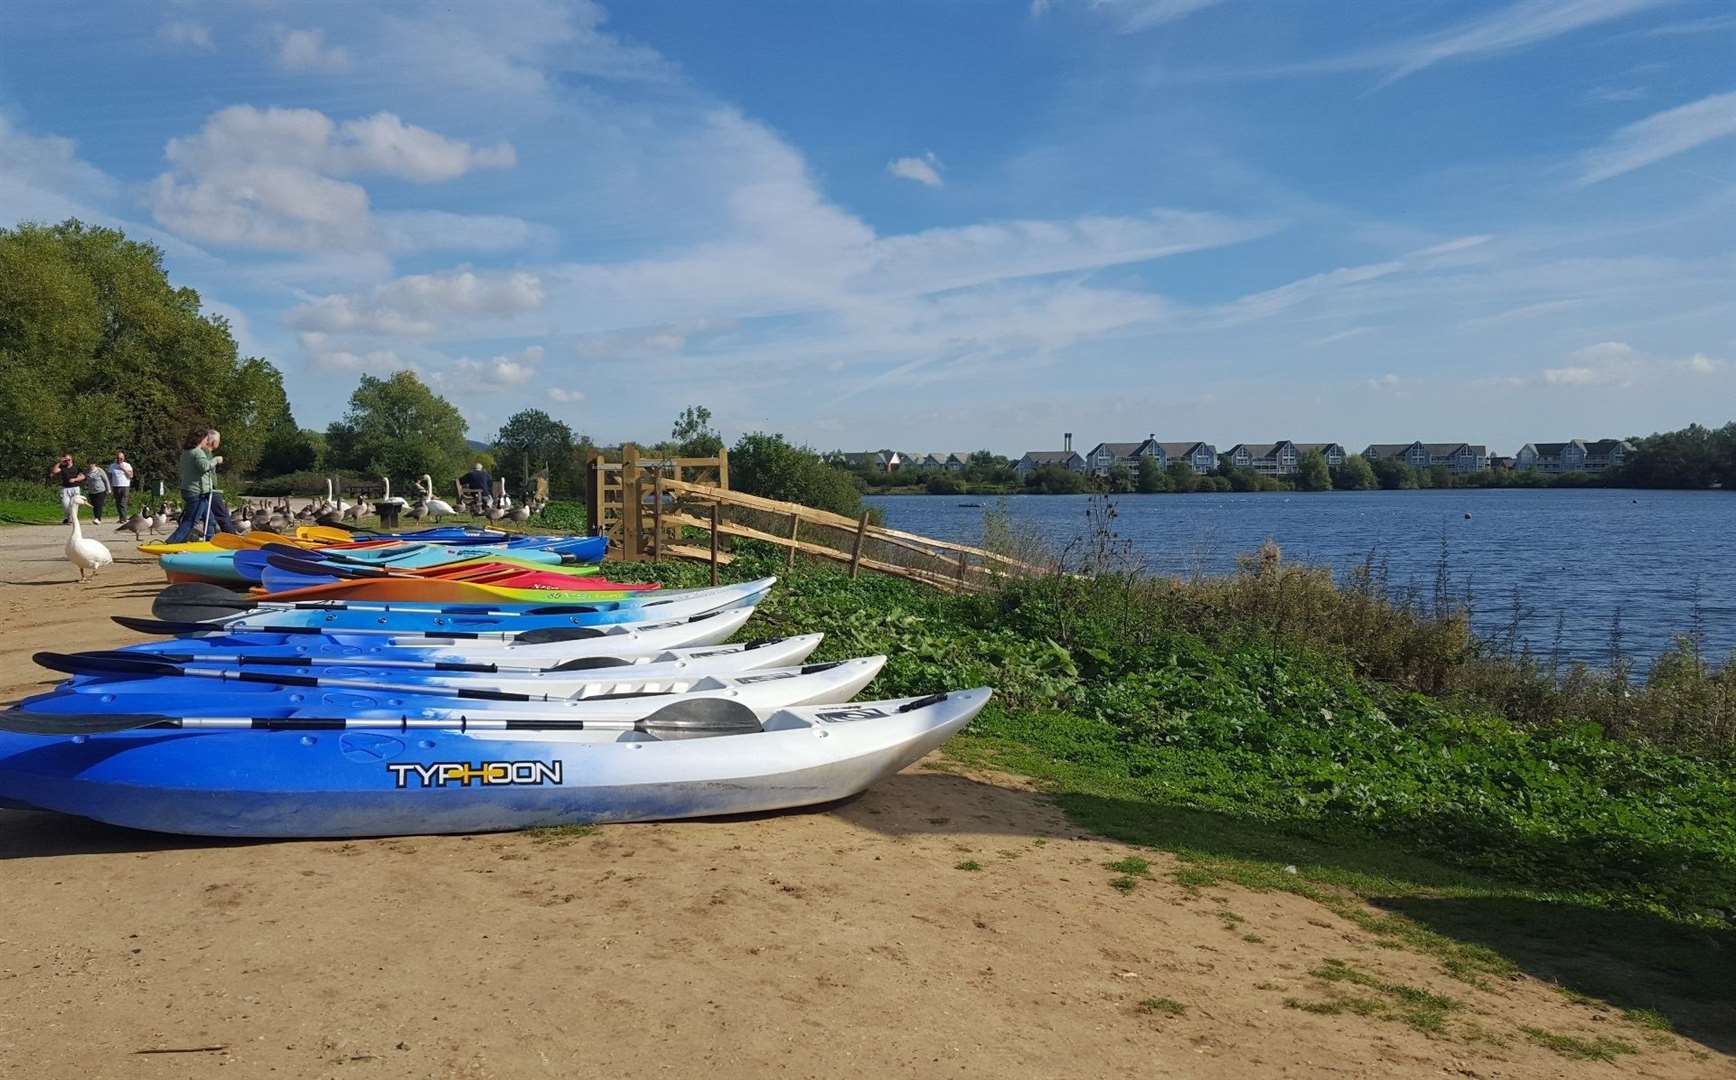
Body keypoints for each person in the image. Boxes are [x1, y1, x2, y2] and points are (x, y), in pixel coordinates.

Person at [165, 428, 238, 543]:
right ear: (200, 440)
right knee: (191, 521)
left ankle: (208, 539)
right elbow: (204, 466)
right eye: (205, 439)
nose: (207, 441)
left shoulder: (186, 452)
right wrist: (216, 460)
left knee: (208, 518)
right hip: (197, 491)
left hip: (189, 489)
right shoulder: (198, 452)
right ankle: (171, 543)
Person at [48, 454, 84, 524]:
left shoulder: (76, 467)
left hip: (75, 488)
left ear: (72, 459)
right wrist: (59, 462)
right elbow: (54, 471)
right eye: (66, 460)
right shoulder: (62, 467)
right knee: (65, 504)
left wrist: (75, 479)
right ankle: (68, 517)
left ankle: (72, 518)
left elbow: (82, 476)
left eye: (69, 459)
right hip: (65, 488)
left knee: (75, 504)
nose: (67, 461)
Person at [108, 451, 134, 519]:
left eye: (121, 458)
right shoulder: (112, 466)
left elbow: (131, 476)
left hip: (125, 486)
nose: (119, 460)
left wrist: (123, 469)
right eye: (118, 458)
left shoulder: (127, 465)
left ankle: (124, 518)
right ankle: (121, 517)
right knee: (118, 502)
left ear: (124, 458)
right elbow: (110, 477)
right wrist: (109, 487)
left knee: (123, 502)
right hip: (115, 486)